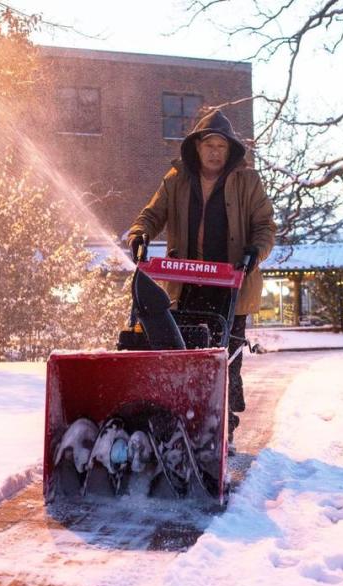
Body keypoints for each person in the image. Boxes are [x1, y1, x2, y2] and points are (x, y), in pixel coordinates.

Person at [127, 109, 276, 444]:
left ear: (230, 151)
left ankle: (223, 429)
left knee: (226, 358)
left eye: (220, 146)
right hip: (186, 283)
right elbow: (151, 215)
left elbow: (265, 226)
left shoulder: (247, 181)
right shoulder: (176, 179)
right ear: (196, 147)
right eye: (208, 144)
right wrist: (139, 234)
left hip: (232, 284)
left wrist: (255, 252)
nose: (214, 152)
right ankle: (175, 420)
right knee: (181, 352)